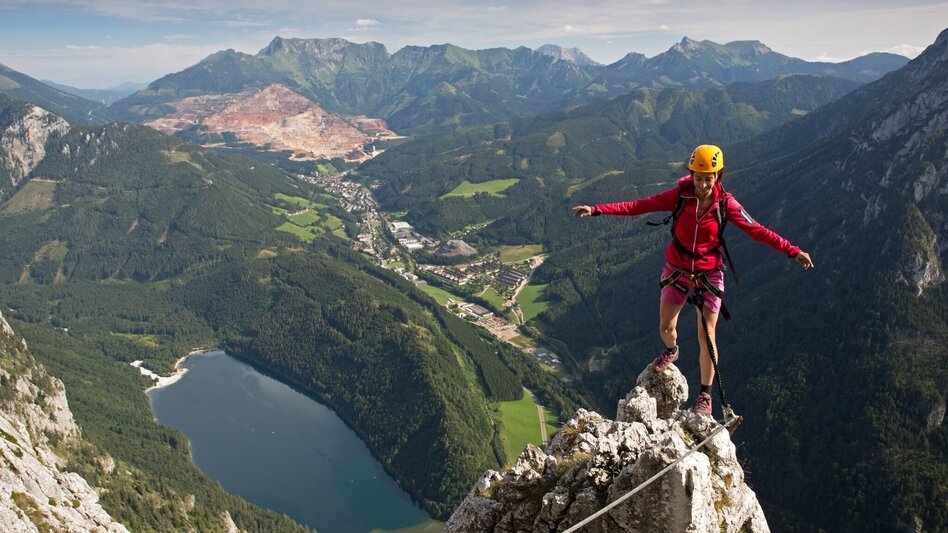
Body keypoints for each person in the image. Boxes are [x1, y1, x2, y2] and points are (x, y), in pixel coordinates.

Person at [572, 144, 814, 415]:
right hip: (677, 269)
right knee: (666, 328)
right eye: (697, 178)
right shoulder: (680, 196)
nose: (702, 184)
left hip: (709, 274)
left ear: (718, 176)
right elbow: (639, 206)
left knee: (707, 337)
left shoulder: (726, 205)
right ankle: (672, 350)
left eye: (708, 179)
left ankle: (705, 396)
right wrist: (597, 210)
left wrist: (792, 251)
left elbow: (757, 230)